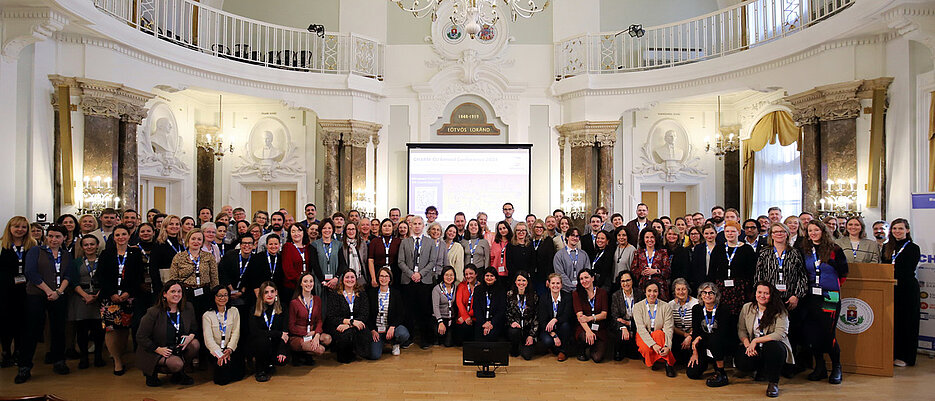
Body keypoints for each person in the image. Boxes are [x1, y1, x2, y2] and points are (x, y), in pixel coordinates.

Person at [15, 225, 73, 383]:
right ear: (47, 237)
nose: (54, 240)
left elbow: (68, 274)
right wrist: (48, 291)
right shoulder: (36, 251)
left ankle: (59, 361)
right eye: (51, 236)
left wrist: (59, 292)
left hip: (59, 295)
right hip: (37, 295)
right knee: (32, 330)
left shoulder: (66, 255)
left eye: (58, 237)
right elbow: (31, 272)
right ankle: (24, 367)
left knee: (58, 329)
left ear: (64, 239)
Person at [799, 220, 847, 384]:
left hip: (830, 296)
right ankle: (819, 367)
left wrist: (831, 287)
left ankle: (836, 367)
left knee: (828, 332)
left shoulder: (835, 250)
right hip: (811, 296)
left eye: (816, 230)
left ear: (823, 231)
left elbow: (843, 273)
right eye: (810, 231)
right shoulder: (805, 250)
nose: (813, 233)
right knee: (813, 333)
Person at [98, 225, 144, 376]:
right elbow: (101, 276)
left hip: (128, 297)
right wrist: (111, 293)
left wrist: (128, 292)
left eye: (124, 234)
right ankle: (117, 360)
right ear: (114, 237)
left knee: (124, 329)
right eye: (117, 234)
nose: (121, 237)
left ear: (129, 236)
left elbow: (139, 276)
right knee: (111, 329)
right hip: (110, 298)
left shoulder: (135, 253)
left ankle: (122, 354)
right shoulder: (106, 253)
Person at [136, 280, 199, 387]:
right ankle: (151, 373)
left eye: (179, 292)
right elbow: (141, 337)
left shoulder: (188, 307)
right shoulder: (153, 312)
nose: (177, 294)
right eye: (173, 291)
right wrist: (158, 349)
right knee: (176, 364)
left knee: (195, 344)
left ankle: (179, 373)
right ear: (165, 294)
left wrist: (190, 337)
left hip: (176, 347)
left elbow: (194, 328)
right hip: (155, 349)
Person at [735, 282, 793, 398]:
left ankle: (773, 383)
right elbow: (741, 330)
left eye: (766, 293)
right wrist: (748, 345)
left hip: (773, 347)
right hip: (753, 346)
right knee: (741, 362)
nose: (762, 295)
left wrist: (756, 341)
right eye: (759, 292)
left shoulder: (780, 310)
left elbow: (780, 334)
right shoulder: (747, 307)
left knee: (772, 347)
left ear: (771, 295)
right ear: (755, 293)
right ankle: (759, 369)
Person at [709, 221, 756, 351]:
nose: (730, 234)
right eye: (727, 231)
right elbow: (712, 271)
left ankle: (739, 349)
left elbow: (752, 272)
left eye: (733, 231)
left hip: (740, 290)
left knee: (739, 319)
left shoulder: (747, 249)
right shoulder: (718, 249)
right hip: (721, 289)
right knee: (723, 318)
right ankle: (725, 350)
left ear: (739, 233)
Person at [882, 218, 920, 367]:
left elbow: (907, 269)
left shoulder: (913, 248)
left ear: (907, 230)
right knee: (893, 322)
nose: (897, 231)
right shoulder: (887, 247)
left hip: (907, 289)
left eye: (900, 228)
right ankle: (893, 353)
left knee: (908, 322)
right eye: (894, 229)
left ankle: (907, 356)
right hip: (890, 288)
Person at [1, 216, 37, 368]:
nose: (20, 230)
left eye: (23, 227)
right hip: (5, 290)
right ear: (10, 228)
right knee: (5, 322)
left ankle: (18, 351)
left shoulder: (32, 244)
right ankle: (5, 352)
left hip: (26, 290)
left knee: (22, 322)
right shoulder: (2, 244)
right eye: (16, 227)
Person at [398, 215, 437, 348]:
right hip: (408, 281)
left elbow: (432, 262)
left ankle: (425, 339)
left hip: (424, 281)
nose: (417, 226)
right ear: (411, 225)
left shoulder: (430, 242)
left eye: (420, 224)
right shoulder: (405, 242)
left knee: (424, 311)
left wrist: (420, 274)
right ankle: (408, 338)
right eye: (414, 224)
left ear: (423, 226)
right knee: (408, 311)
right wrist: (411, 274)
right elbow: (400, 262)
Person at [68, 235, 105, 369]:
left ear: (97, 246)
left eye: (92, 244)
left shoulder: (103, 261)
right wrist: (85, 295)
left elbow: (106, 279)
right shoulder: (76, 262)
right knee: (82, 330)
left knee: (98, 330)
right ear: (82, 247)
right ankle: (83, 357)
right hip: (81, 298)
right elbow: (73, 281)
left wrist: (97, 295)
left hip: (98, 297)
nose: (89, 247)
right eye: (86, 245)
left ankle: (98, 356)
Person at [687, 282, 730, 387]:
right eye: (704, 293)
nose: (707, 295)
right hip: (703, 344)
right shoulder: (696, 309)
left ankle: (721, 372)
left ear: (716, 295)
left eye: (711, 293)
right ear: (700, 295)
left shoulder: (724, 309)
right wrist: (694, 351)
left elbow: (723, 333)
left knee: (714, 339)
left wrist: (701, 337)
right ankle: (705, 363)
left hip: (719, 344)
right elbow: (696, 332)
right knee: (692, 373)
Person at [168, 229, 219, 316]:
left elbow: (214, 277)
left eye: (199, 239)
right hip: (186, 293)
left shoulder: (209, 257)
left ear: (202, 241)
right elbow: (173, 278)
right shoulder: (179, 257)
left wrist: (215, 293)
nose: (196, 241)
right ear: (188, 240)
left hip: (205, 292)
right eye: (193, 239)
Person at [325, 270, 371, 363]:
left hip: (355, 324)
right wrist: (349, 322)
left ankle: (355, 351)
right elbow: (332, 316)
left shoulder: (362, 293)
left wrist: (350, 324)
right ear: (342, 280)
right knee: (345, 336)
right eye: (347, 277)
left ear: (356, 279)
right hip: (339, 325)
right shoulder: (335, 294)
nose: (350, 280)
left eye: (352, 277)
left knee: (366, 339)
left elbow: (364, 314)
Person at [202, 285, 244, 385]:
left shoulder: (234, 311)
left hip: (230, 348)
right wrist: (220, 354)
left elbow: (235, 333)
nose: (222, 298)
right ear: (214, 297)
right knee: (221, 380)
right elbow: (208, 339)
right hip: (216, 351)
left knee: (238, 376)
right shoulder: (207, 315)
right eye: (219, 295)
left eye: (225, 295)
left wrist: (229, 349)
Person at [633, 281, 676, 377]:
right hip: (644, 334)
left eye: (655, 291)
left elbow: (668, 328)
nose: (652, 294)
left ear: (658, 292)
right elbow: (641, 329)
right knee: (646, 349)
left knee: (659, 334)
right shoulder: (637, 307)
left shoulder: (666, 306)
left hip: (659, 334)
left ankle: (668, 364)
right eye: (649, 291)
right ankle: (654, 359)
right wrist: (653, 345)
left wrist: (667, 346)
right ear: (645, 292)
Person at [288, 273, 331, 364]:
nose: (308, 284)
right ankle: (299, 354)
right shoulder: (294, 302)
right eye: (305, 281)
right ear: (301, 284)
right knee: (320, 350)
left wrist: (317, 334)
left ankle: (306, 354)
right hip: (298, 335)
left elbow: (319, 320)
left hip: (312, 333)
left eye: (311, 281)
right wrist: (306, 334)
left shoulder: (317, 299)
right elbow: (291, 326)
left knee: (327, 338)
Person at [250, 281, 289, 381]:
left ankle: (269, 363)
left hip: (275, 343)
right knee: (263, 340)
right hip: (260, 344)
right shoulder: (255, 309)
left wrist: (282, 350)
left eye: (272, 291)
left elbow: (285, 332)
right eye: (266, 292)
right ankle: (260, 370)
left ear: (276, 292)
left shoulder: (283, 308)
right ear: (261, 294)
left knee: (282, 361)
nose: (270, 295)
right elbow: (255, 332)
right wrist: (278, 333)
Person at [369, 267, 409, 357]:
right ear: (378, 278)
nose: (384, 279)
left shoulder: (396, 293)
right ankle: (381, 343)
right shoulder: (371, 294)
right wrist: (372, 330)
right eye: (381, 276)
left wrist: (392, 326)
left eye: (386, 276)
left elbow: (401, 314)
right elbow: (367, 314)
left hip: (391, 329)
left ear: (390, 278)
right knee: (374, 355)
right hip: (377, 330)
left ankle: (395, 343)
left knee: (403, 334)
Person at [572, 269, 608, 362]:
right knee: (584, 336)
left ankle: (593, 347)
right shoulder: (576, 294)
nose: (584, 281)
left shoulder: (602, 292)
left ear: (592, 278)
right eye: (581, 279)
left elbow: (604, 314)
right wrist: (588, 331)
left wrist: (590, 318)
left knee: (597, 358)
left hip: (599, 327)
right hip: (583, 327)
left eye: (586, 277)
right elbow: (580, 316)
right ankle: (581, 350)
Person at [538, 273, 573, 361]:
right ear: (548, 284)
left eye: (558, 283)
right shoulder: (543, 298)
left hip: (561, 326)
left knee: (566, 325)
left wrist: (555, 319)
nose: (555, 286)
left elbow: (567, 315)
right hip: (548, 329)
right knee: (547, 341)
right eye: (553, 283)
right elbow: (542, 320)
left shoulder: (567, 297)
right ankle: (554, 348)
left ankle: (563, 351)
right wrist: (553, 335)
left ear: (561, 285)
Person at [506, 270, 538, 360]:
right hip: (516, 328)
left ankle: (525, 345)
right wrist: (512, 322)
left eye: (524, 281)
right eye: (519, 280)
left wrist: (531, 335)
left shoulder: (533, 296)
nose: (521, 283)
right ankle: (515, 347)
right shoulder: (509, 295)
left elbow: (536, 317)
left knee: (527, 356)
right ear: (515, 282)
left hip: (528, 330)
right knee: (514, 332)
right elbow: (506, 313)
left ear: (527, 282)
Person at [610, 270, 642, 361]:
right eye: (623, 281)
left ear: (632, 281)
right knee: (619, 332)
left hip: (636, 324)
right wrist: (623, 327)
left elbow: (643, 315)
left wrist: (630, 324)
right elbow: (615, 316)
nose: (626, 283)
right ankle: (618, 351)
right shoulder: (616, 295)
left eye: (628, 280)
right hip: (622, 324)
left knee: (635, 356)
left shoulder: (639, 294)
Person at [632, 228, 671, 300]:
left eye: (652, 237)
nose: (649, 240)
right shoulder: (638, 253)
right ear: (643, 239)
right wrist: (641, 272)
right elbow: (633, 270)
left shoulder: (662, 252)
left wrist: (656, 271)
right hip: (643, 287)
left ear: (656, 238)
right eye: (647, 237)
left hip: (660, 287)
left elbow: (668, 270)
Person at [282, 223, 319, 299]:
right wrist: (301, 281)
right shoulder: (288, 247)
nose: (296, 234)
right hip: (293, 287)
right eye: (293, 231)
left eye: (299, 231)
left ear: (304, 233)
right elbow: (288, 269)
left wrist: (307, 282)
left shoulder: (308, 247)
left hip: (308, 286)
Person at [311, 219, 343, 298]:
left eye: (329, 228)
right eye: (324, 228)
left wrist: (336, 278)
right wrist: (323, 281)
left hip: (335, 282)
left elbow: (342, 263)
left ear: (333, 230)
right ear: (321, 230)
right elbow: (314, 264)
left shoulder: (338, 244)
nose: (327, 230)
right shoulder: (314, 245)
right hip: (320, 282)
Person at [669, 278, 698, 364]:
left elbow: (698, 324)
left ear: (688, 290)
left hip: (693, 333)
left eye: (683, 289)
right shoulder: (670, 305)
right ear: (674, 291)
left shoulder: (696, 303)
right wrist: (684, 334)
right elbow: (670, 325)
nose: (681, 292)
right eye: (678, 289)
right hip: (678, 334)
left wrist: (690, 336)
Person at [475, 266, 506, 341]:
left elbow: (501, 309)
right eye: (487, 276)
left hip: (495, 322)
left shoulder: (501, 290)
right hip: (481, 322)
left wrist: (491, 323)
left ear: (495, 278)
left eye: (492, 276)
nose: (489, 278)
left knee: (492, 336)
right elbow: (476, 308)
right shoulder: (478, 290)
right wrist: (484, 323)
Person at [554, 228, 590, 293]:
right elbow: (560, 274)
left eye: (577, 236)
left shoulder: (584, 254)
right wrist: (572, 287)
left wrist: (580, 286)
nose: (575, 238)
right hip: (565, 290)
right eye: (572, 235)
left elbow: (587, 272)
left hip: (582, 290)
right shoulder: (559, 255)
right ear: (567, 237)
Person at [368, 219, 400, 288]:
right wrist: (373, 278)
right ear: (381, 228)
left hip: (394, 273)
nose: (387, 228)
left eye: (389, 226)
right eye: (384, 226)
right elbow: (370, 260)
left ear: (393, 228)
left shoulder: (398, 241)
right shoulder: (374, 242)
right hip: (378, 272)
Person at [431, 266, 457, 348]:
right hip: (440, 318)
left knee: (448, 344)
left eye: (451, 275)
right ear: (442, 276)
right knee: (437, 339)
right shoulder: (437, 289)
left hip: (451, 318)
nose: (449, 277)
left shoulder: (456, 287)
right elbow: (435, 306)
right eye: (446, 275)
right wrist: (440, 322)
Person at [530, 219, 556, 296]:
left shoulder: (548, 241)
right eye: (536, 227)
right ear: (533, 228)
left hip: (543, 276)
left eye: (541, 227)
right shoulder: (530, 241)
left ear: (544, 229)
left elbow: (550, 260)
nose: (539, 229)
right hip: (532, 276)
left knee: (542, 296)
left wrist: (548, 278)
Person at [454, 264, 479, 344]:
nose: (468, 276)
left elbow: (478, 305)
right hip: (462, 316)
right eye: (466, 274)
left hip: (475, 317)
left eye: (471, 273)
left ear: (476, 274)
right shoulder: (461, 285)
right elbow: (459, 302)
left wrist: (468, 316)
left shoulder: (480, 287)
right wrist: (465, 316)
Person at [689, 224, 718, 291]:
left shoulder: (721, 247)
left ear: (716, 233)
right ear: (703, 234)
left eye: (712, 233)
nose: (709, 236)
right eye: (706, 233)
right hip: (701, 282)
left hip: (716, 281)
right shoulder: (698, 248)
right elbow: (694, 267)